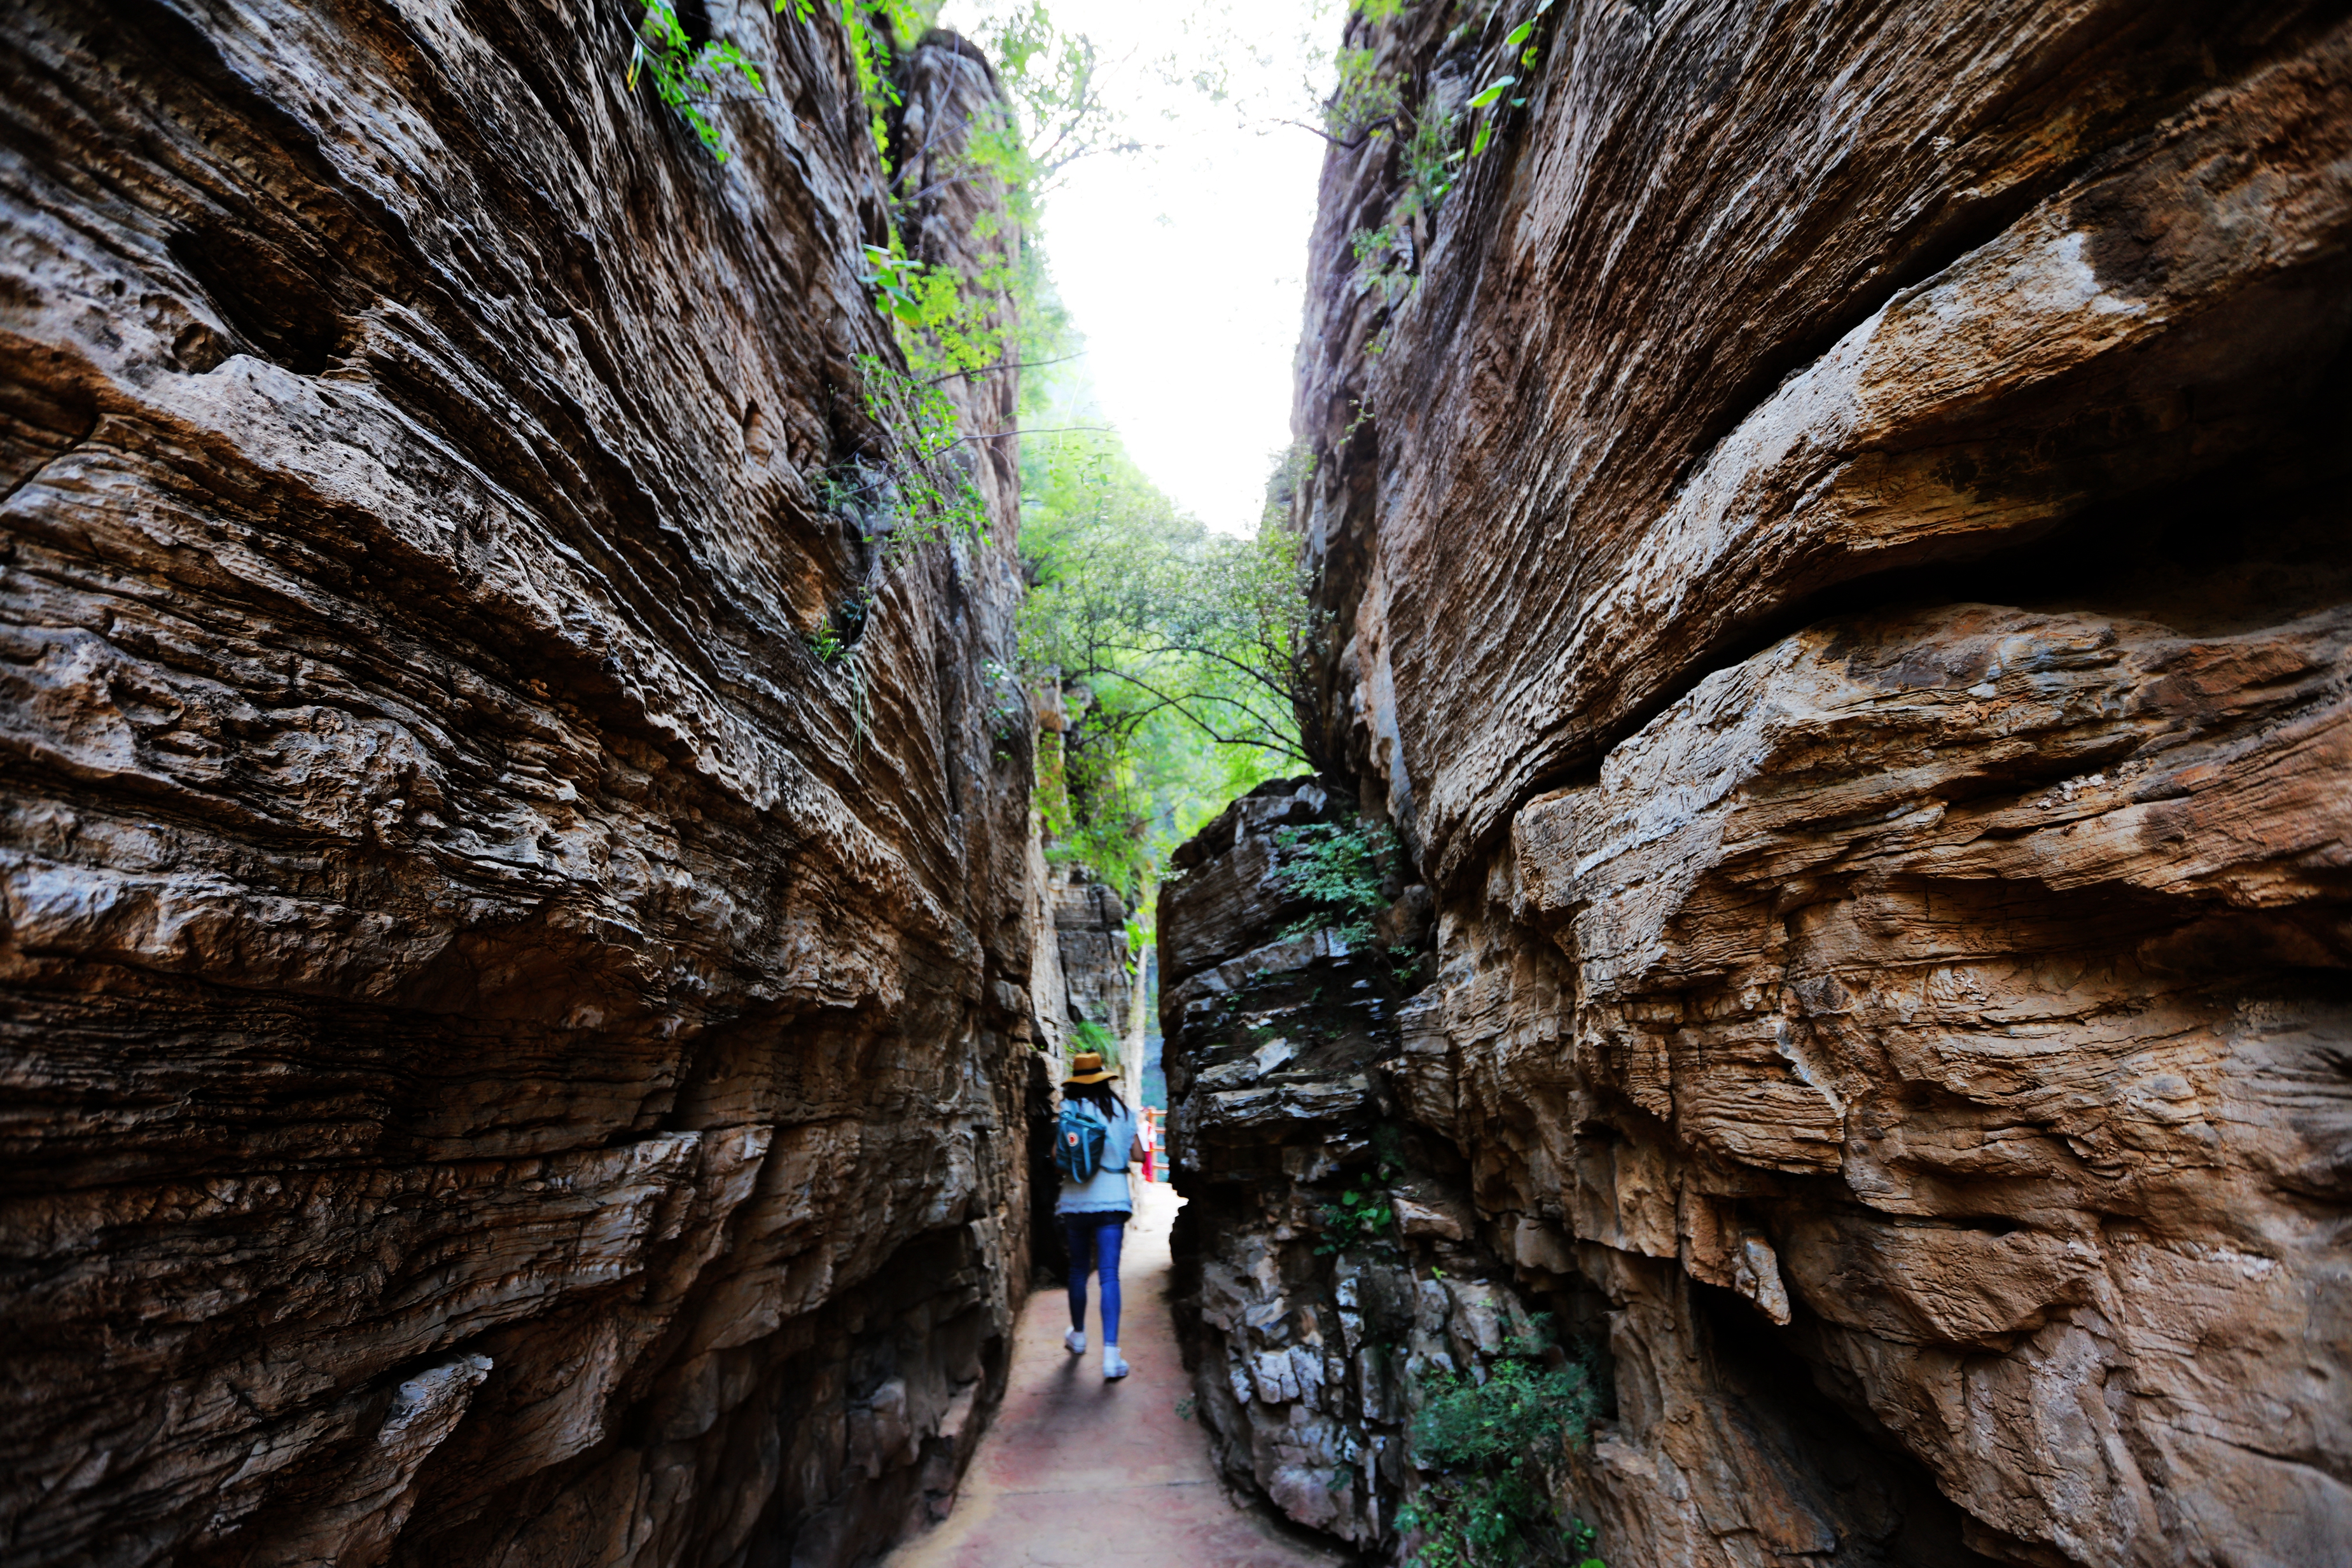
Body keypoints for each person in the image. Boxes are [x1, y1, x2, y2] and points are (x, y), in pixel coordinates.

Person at [1056, 1050, 1145, 1380]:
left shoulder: (1069, 1110)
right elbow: (1137, 1155)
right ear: (1104, 1080)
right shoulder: (1123, 1112)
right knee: (1109, 1275)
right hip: (1113, 1202)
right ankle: (1111, 1355)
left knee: (1078, 1271)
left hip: (1075, 1203)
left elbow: (1056, 1155)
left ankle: (1078, 1337)